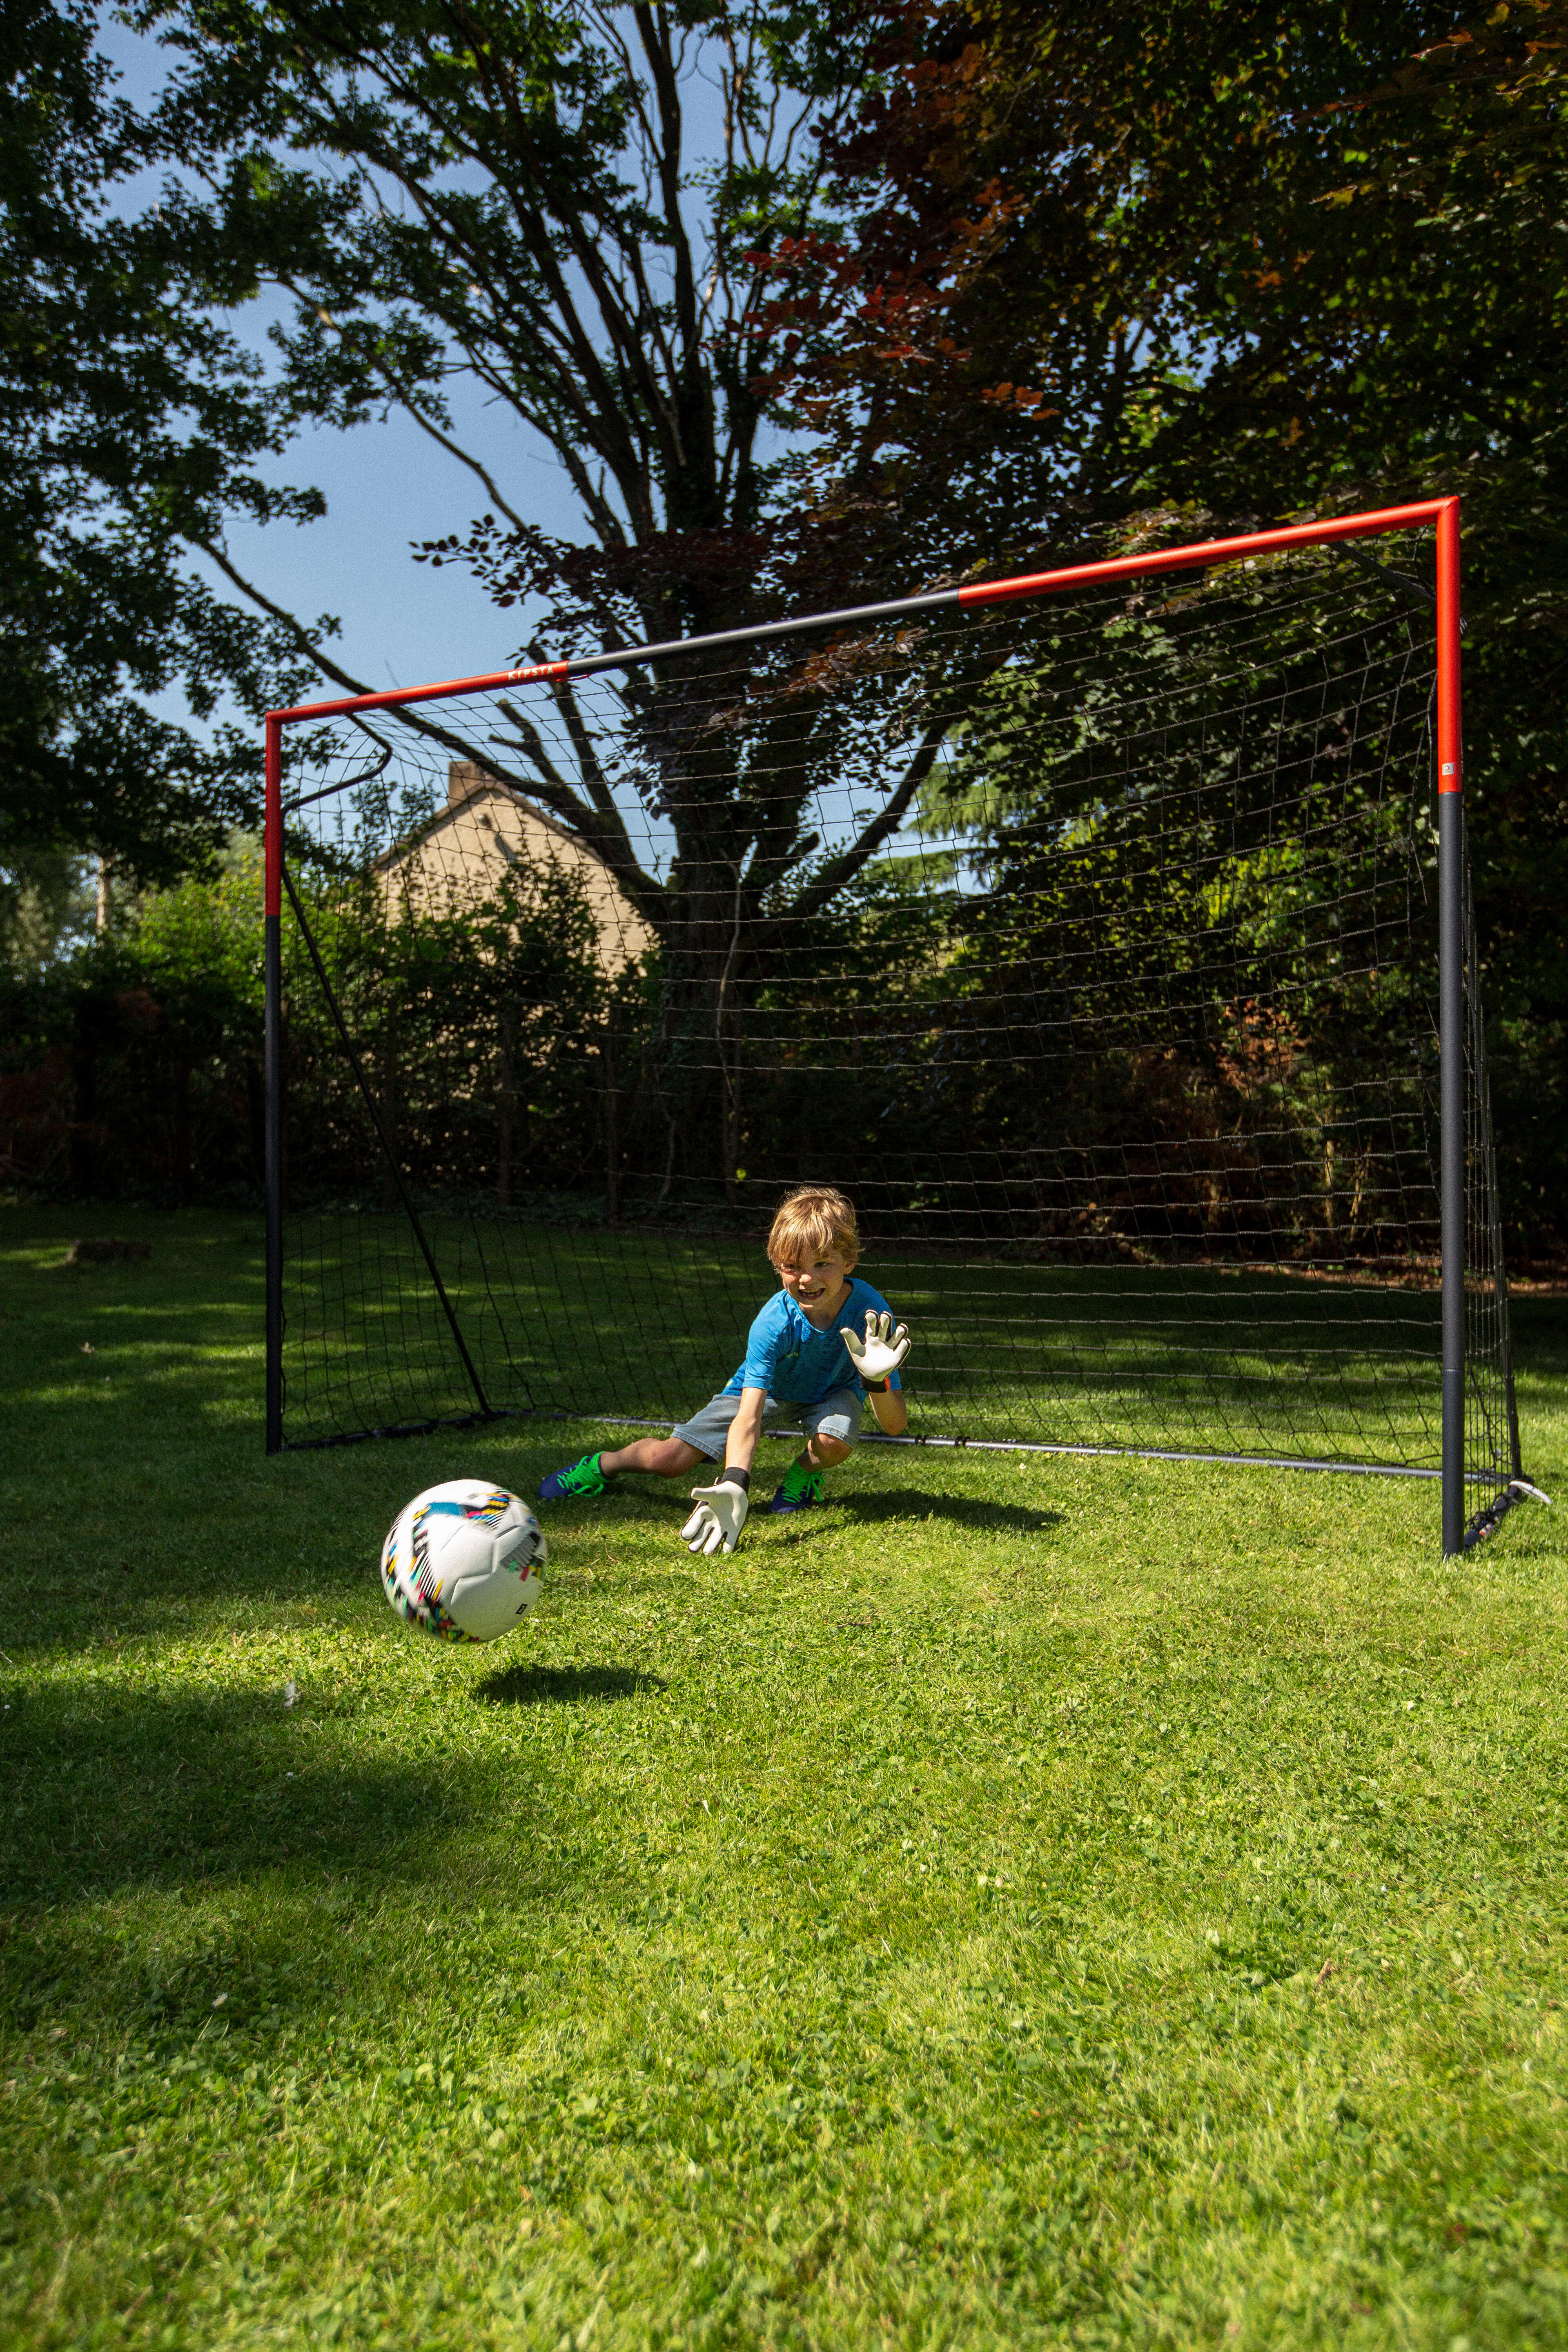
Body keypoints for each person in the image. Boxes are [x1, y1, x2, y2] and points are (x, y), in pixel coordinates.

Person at [537, 1184, 911, 1555]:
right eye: (792, 1266)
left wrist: (874, 1381)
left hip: (835, 1390)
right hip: (769, 1391)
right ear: (778, 1266)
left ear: (849, 1262)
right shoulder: (773, 1322)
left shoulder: (872, 1315)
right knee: (668, 1462)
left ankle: (804, 1475)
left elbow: (895, 1426)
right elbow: (749, 1418)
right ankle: (602, 1465)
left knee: (834, 1442)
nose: (806, 1279)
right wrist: (735, 1482)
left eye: (822, 1264)